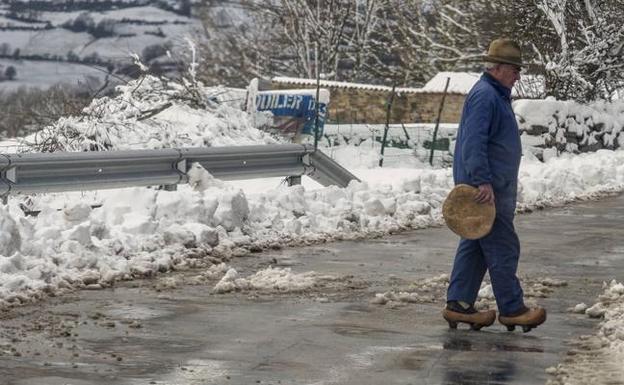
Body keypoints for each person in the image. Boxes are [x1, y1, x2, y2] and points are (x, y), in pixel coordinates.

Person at [442, 38, 546, 332]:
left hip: (490, 187)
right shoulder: (486, 96)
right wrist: (482, 180)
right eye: (515, 69)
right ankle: (513, 309)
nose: (518, 76)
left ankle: (459, 305)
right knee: (502, 246)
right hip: (487, 190)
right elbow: (474, 143)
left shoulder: (494, 94)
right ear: (498, 68)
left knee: (475, 245)